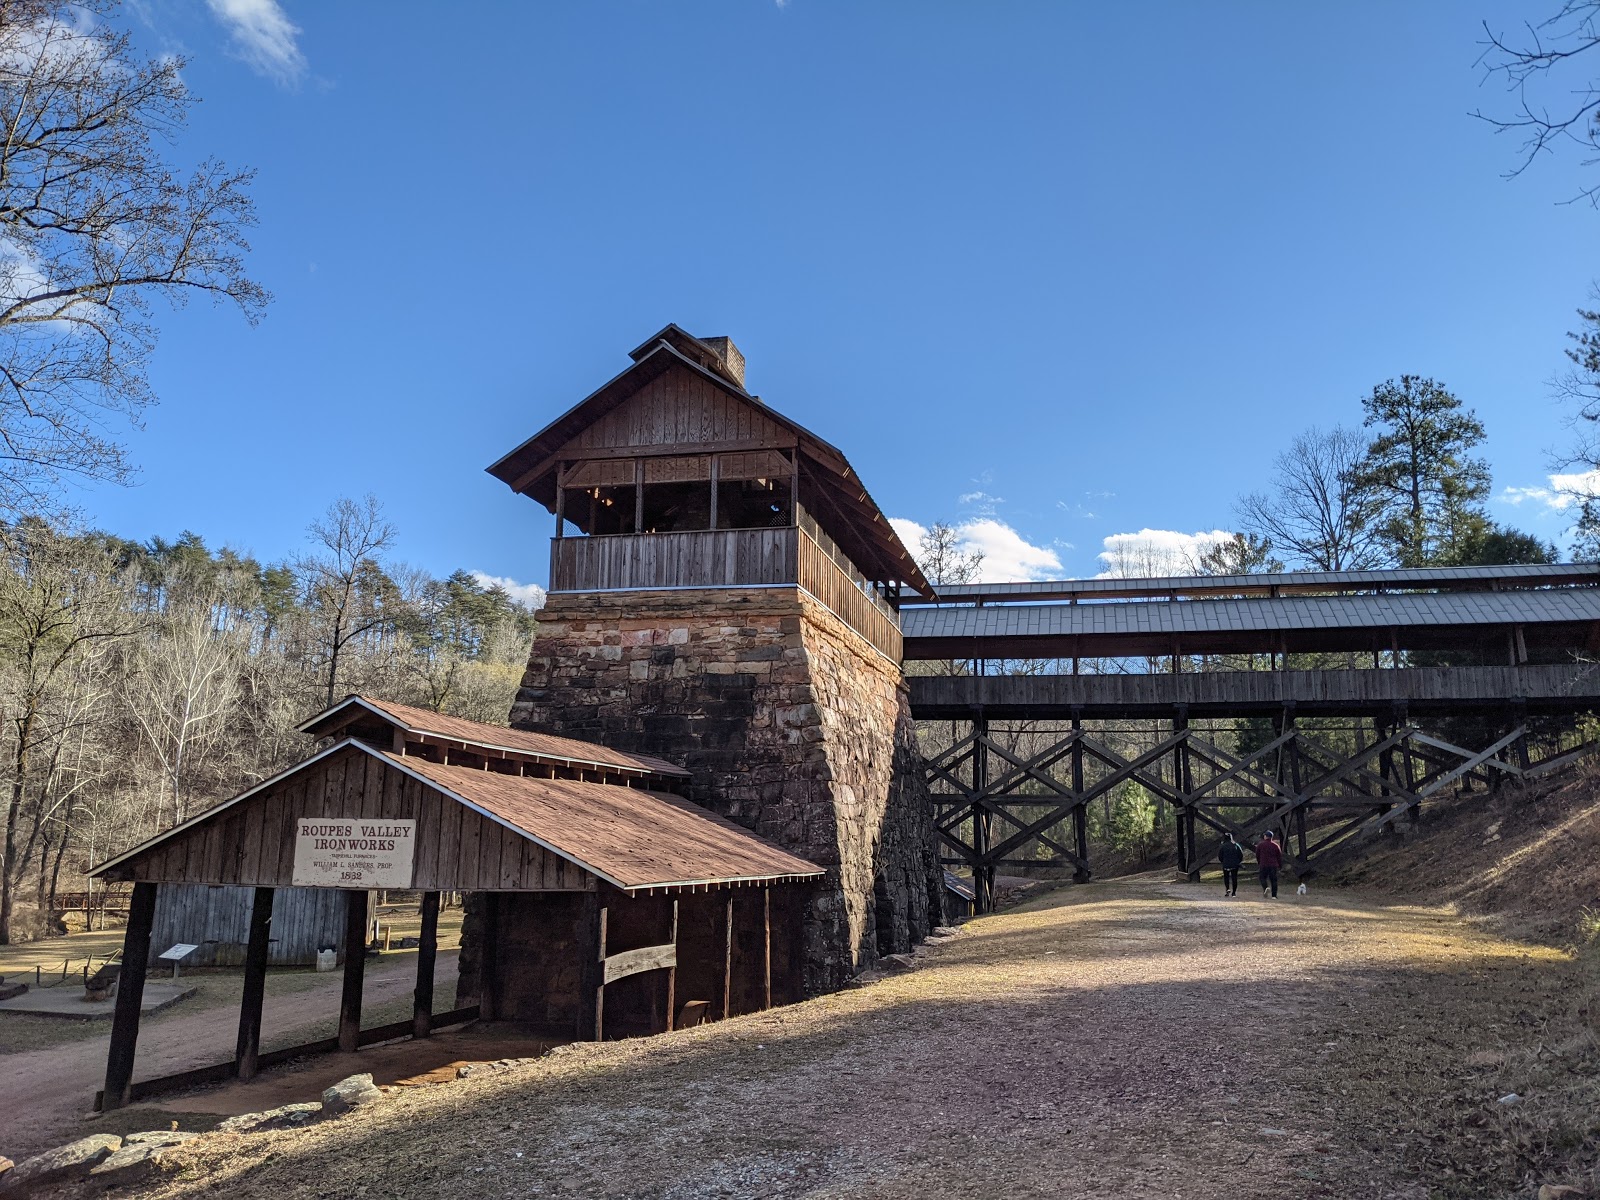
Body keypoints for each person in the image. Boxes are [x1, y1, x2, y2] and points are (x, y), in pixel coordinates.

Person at [1254, 831, 1284, 898]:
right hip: (1273, 865)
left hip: (1264, 864)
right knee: (1274, 880)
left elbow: (1257, 855)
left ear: (1265, 836)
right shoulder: (1275, 846)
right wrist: (1280, 865)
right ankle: (1274, 896)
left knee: (1262, 878)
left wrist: (1259, 862)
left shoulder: (1260, 845)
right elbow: (1279, 856)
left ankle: (1266, 887)